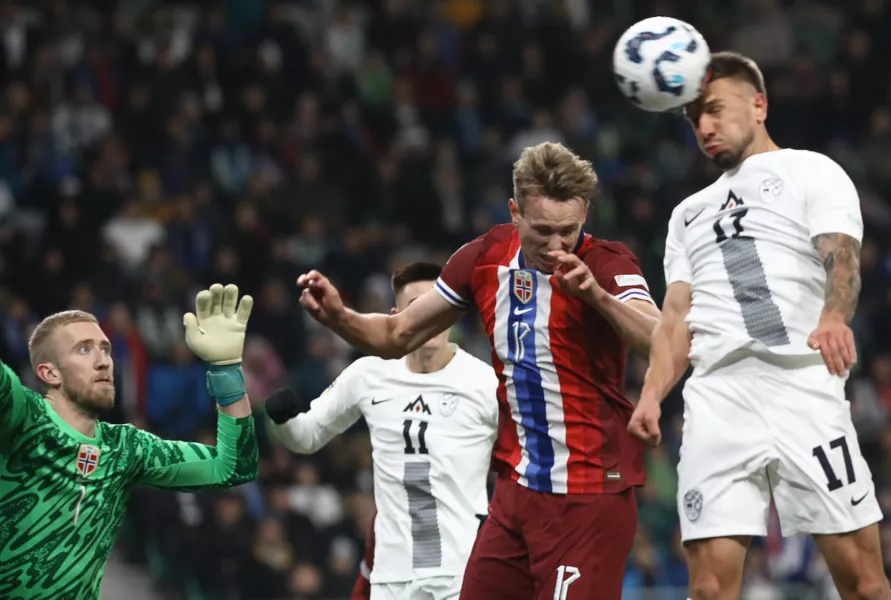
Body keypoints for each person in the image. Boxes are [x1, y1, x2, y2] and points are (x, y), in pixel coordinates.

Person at [296, 141, 661, 599]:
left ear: (585, 212)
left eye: (567, 230)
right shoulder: (485, 258)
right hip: (515, 495)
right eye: (542, 230)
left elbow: (660, 336)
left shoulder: (607, 264)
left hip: (587, 498)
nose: (555, 246)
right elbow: (397, 335)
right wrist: (338, 317)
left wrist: (598, 298)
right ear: (515, 212)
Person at [628, 52, 891, 600]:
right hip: (717, 401)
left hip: (801, 387)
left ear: (759, 104)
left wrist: (833, 315)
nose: (704, 126)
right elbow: (677, 316)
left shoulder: (812, 170)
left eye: (715, 110)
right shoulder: (687, 215)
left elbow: (840, 257)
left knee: (863, 582)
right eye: (693, 117)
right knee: (707, 589)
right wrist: (653, 393)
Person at [0, 283, 259, 600]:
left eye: (106, 349)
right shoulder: (19, 415)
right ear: (49, 373)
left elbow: (233, 466)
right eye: (84, 349)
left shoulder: (126, 448)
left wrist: (225, 370)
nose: (103, 361)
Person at [265, 262, 499, 600]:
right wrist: (284, 419)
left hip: (462, 575)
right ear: (395, 317)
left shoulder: (485, 384)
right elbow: (306, 436)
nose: (428, 319)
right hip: (393, 579)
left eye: (437, 307)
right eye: (415, 309)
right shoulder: (368, 374)